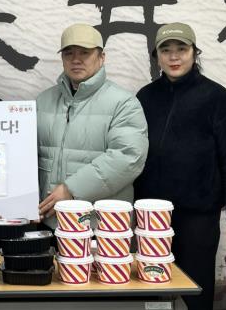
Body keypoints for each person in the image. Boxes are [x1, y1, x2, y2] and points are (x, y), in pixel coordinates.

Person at [134, 23, 226, 310]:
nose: (174, 57)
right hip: (150, 218)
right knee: (151, 294)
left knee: (195, 295)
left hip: (198, 217)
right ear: (157, 56)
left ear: (194, 53)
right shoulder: (145, 97)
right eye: (166, 50)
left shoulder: (217, 98)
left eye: (181, 49)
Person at [36, 23, 148, 229]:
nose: (76, 59)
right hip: (48, 221)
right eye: (69, 53)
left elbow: (128, 157)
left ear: (102, 57)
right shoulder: (43, 101)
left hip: (101, 224)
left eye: (85, 53)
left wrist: (72, 189)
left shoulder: (123, 103)